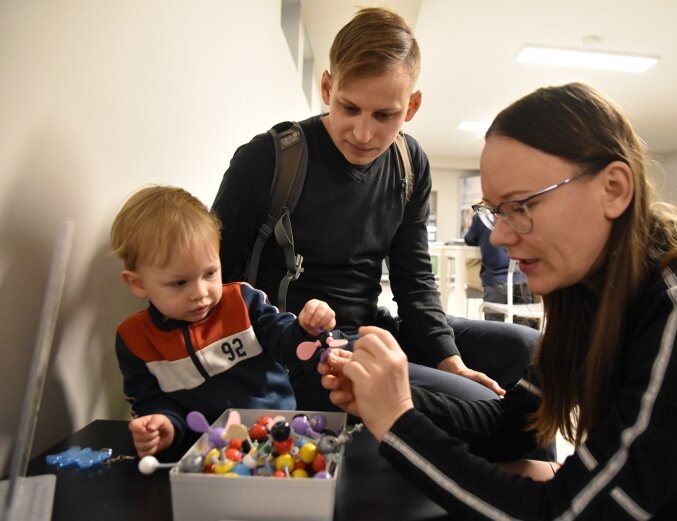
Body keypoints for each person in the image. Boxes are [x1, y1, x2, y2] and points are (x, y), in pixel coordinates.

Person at [318, 83, 677, 519]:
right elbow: (516, 425)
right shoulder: (587, 296)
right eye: (496, 210)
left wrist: (399, 422)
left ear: (614, 189)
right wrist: (388, 398)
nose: (498, 234)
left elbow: (565, 513)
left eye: (522, 205)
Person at [212, 7, 539, 411]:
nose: (364, 134)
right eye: (349, 108)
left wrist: (448, 360)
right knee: (478, 401)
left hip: (369, 327)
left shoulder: (409, 162)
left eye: (385, 115)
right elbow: (216, 276)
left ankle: (540, 473)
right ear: (328, 89)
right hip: (295, 345)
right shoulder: (268, 158)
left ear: (413, 106)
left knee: (528, 349)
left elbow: (414, 276)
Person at [111, 185, 337, 459]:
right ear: (137, 283)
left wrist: (305, 328)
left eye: (210, 273)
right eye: (180, 282)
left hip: (277, 435)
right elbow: (150, 400)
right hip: (207, 452)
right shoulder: (135, 340)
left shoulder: (242, 302)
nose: (200, 293)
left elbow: (283, 339)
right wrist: (164, 425)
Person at [464, 212, 538, 327]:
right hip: (523, 281)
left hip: (495, 281)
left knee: (494, 329)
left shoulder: (482, 217)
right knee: (524, 328)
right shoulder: (523, 215)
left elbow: (470, 239)